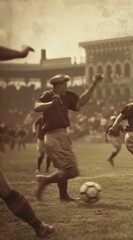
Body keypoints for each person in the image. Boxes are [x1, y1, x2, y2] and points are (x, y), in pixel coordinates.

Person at [0, 45, 54, 238]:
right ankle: (38, 226)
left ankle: (38, 226)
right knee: (5, 190)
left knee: (5, 190)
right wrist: (20, 53)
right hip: (42, 139)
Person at [34, 72, 103, 201]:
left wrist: (94, 84)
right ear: (56, 85)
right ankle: (45, 180)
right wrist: (50, 103)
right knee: (73, 171)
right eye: (64, 85)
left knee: (64, 169)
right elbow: (36, 107)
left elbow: (80, 102)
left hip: (61, 134)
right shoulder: (48, 95)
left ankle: (63, 196)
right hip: (53, 136)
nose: (66, 87)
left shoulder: (66, 96)